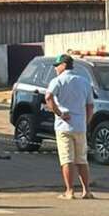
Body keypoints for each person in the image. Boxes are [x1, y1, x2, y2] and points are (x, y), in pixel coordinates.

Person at [45, 53, 95, 200]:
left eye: (57, 66)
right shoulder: (84, 81)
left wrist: (59, 112)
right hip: (80, 126)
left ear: (64, 65)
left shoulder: (57, 81)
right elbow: (90, 106)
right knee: (82, 160)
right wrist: (86, 121)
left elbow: (48, 97)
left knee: (67, 159)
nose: (55, 69)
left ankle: (70, 191)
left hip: (64, 126)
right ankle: (87, 191)